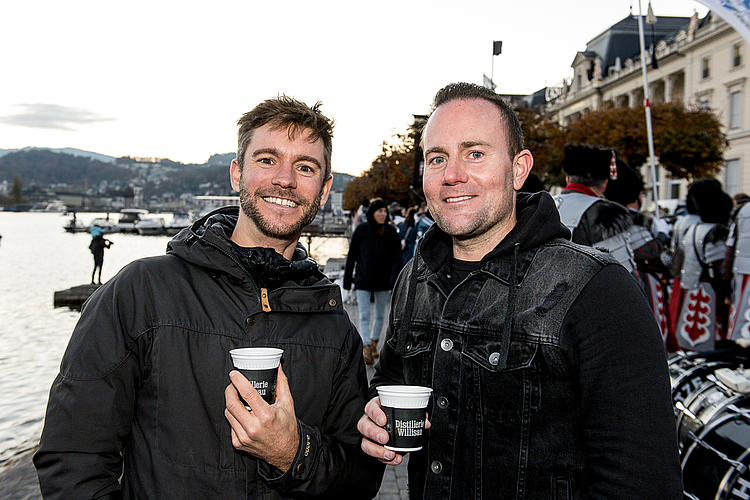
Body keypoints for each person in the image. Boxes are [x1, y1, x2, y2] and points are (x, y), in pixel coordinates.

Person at [34, 96, 383, 500]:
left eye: (304, 167)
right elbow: (73, 455)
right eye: (267, 160)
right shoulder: (143, 292)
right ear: (237, 174)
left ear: (323, 191)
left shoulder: (333, 327)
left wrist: (295, 453)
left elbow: (361, 478)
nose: (284, 179)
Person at [357, 82, 682, 499]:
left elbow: (642, 482)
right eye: (437, 158)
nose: (452, 174)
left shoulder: (597, 290)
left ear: (519, 169)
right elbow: (390, 379)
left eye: (475, 153)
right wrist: (375, 413)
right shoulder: (413, 279)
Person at [604, 161, 672, 344]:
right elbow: (651, 252)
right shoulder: (629, 218)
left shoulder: (607, 214)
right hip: (640, 281)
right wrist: (663, 235)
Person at [667, 178, 733, 352]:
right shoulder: (716, 232)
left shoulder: (692, 228)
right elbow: (721, 268)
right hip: (710, 290)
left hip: (691, 286)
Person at [553, 144, 636, 272]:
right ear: (605, 184)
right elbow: (621, 272)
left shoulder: (539, 204)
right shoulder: (606, 212)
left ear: (567, 179)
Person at [344, 198, 403, 365]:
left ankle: (374, 343)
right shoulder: (361, 231)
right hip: (363, 279)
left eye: (385, 211)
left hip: (383, 281)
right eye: (380, 211)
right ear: (372, 213)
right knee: (364, 315)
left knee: (380, 315)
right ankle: (366, 346)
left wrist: (395, 279)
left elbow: (397, 258)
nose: (383, 214)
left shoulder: (391, 233)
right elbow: (352, 256)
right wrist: (348, 281)